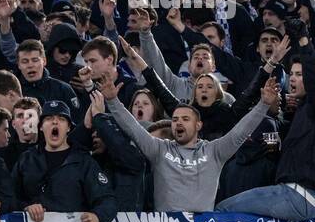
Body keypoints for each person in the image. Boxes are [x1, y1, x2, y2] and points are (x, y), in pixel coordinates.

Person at [216, 21, 315, 221]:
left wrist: (304, 41)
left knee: (223, 209)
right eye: (291, 74)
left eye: (300, 74)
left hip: (298, 194)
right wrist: (272, 107)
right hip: (306, 197)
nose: (292, 79)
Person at [99, 71, 276, 212]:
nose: (178, 123)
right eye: (175, 119)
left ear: (198, 125)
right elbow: (134, 129)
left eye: (185, 119)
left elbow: (240, 132)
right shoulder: (159, 149)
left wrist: (263, 105)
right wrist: (113, 101)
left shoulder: (214, 151)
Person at [13, 100, 117, 222]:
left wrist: (97, 216)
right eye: (49, 118)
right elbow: (9, 196)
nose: (55, 122)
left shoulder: (84, 161)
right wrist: (26, 206)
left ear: (68, 127)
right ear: (41, 126)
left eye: (61, 119)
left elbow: (107, 200)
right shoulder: (27, 159)